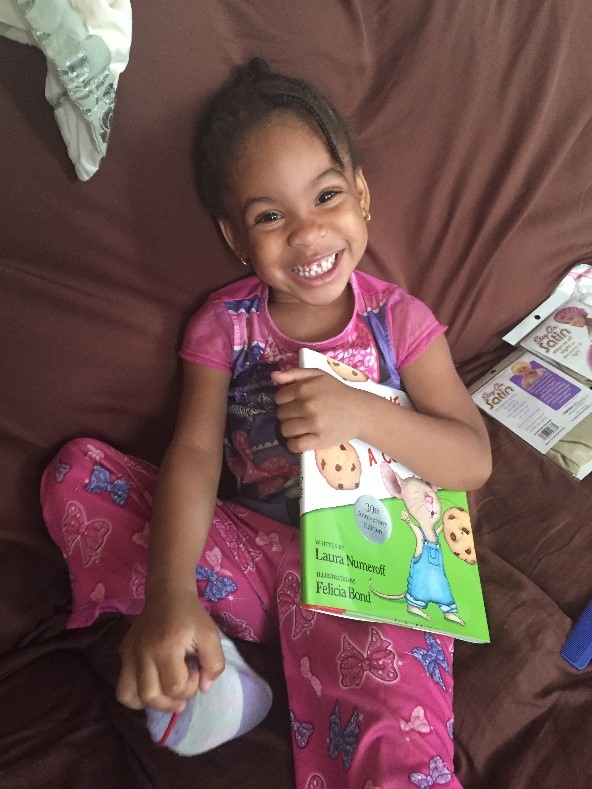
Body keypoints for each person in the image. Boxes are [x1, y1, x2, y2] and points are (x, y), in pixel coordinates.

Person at [40, 58, 491, 788]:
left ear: (364, 195)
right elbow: (191, 454)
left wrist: (361, 412)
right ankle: (215, 663)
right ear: (234, 236)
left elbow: (471, 459)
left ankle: (281, 664)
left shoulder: (398, 321)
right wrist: (170, 593)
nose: (309, 233)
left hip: (371, 572)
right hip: (252, 559)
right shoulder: (225, 325)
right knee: (76, 475)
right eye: (270, 215)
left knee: (391, 737)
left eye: (327, 196)